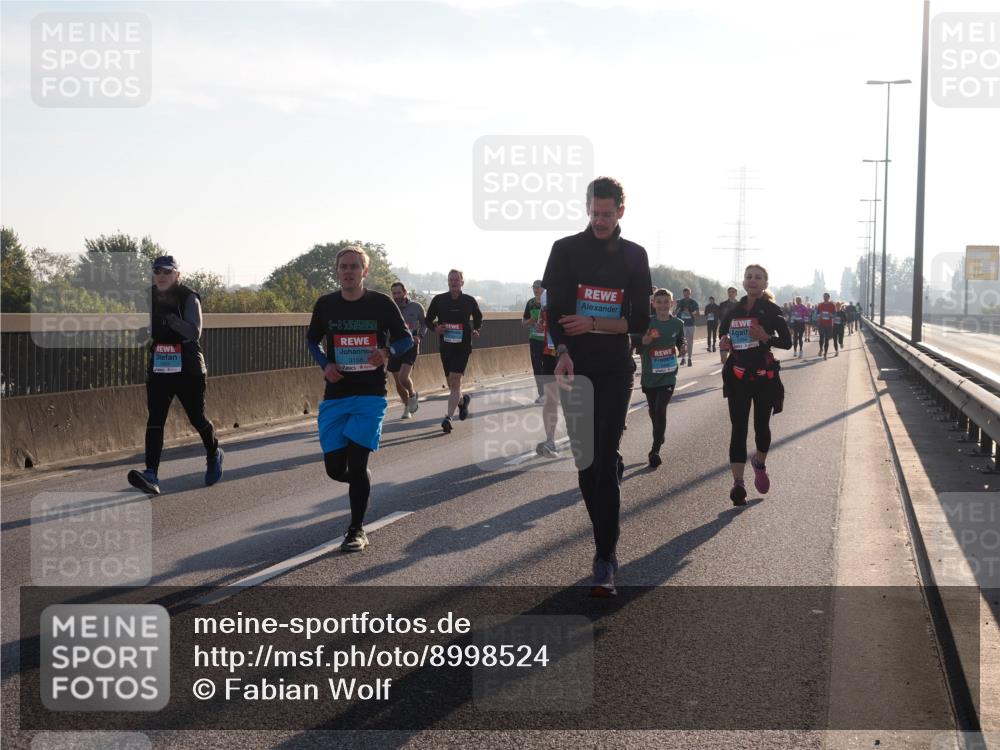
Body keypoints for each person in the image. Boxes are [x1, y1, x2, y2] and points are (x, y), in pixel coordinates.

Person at [543, 176, 652, 597]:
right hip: (575, 367)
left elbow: (639, 322)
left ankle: (605, 556)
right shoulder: (565, 250)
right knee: (586, 462)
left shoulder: (634, 256)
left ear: (621, 211)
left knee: (602, 460)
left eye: (608, 214)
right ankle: (605, 518)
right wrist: (563, 350)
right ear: (587, 208)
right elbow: (556, 313)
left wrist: (593, 322)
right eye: (595, 213)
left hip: (615, 369)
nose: (601, 221)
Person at [306, 246, 413, 551]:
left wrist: (386, 351)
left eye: (354, 266)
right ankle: (360, 480)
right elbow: (312, 339)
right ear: (337, 271)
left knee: (357, 459)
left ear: (365, 271)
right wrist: (325, 364)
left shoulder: (381, 303)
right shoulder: (326, 304)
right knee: (335, 469)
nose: (348, 271)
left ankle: (356, 530)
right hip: (337, 394)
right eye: (344, 266)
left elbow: (406, 339)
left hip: (370, 394)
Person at [127, 256, 223, 495]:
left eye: (167, 272)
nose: (161, 276)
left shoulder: (189, 297)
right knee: (155, 419)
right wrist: (143, 332)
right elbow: (148, 328)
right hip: (160, 366)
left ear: (177, 275)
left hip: (188, 366)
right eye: (157, 271)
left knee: (197, 418)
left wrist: (171, 320)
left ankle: (214, 453)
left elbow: (194, 332)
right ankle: (151, 474)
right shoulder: (148, 296)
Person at [718, 264, 791, 506]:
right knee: (738, 429)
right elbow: (722, 333)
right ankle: (738, 483)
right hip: (738, 377)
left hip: (763, 378)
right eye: (749, 276)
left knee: (761, 427)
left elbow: (787, 342)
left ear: (765, 283)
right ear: (743, 281)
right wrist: (725, 342)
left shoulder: (771, 310)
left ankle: (759, 463)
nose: (753, 280)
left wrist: (766, 337)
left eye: (758, 277)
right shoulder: (733, 309)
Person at [425, 270, 483, 434]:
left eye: (456, 280)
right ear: (448, 282)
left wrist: (476, 329)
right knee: (451, 384)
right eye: (451, 280)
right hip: (446, 346)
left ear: (462, 282)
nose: (453, 282)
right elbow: (428, 320)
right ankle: (463, 402)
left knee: (456, 380)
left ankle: (448, 418)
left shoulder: (469, 301)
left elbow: (478, 318)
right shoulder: (439, 300)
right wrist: (435, 328)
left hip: (463, 346)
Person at [636, 288, 686, 468]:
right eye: (659, 302)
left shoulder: (678, 323)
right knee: (652, 411)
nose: (663, 305)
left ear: (672, 303)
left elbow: (680, 340)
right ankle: (659, 433)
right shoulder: (647, 323)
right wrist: (645, 341)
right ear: (654, 304)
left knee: (660, 409)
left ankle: (654, 450)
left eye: (666, 302)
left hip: (668, 375)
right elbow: (638, 348)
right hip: (650, 375)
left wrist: (682, 347)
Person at [389, 282, 427, 420]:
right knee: (398, 381)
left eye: (399, 293)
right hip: (395, 345)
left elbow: (425, 323)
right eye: (394, 293)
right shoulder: (389, 307)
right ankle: (406, 407)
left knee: (403, 377)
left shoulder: (416, 307)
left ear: (405, 292)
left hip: (411, 345)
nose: (397, 296)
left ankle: (412, 394)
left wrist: (420, 336)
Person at [534, 289, 561, 457]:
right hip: (550, 353)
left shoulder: (575, 287)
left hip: (573, 355)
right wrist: (540, 323)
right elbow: (541, 319)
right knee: (551, 399)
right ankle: (550, 440)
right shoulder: (546, 294)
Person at [522, 280, 546, 404]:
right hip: (535, 339)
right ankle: (542, 394)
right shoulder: (530, 303)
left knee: (548, 367)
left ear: (543, 289)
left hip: (548, 341)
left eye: (538, 287)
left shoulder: (549, 302)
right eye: (534, 287)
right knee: (537, 367)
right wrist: (529, 321)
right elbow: (523, 322)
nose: (535, 290)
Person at [674, 288, 699, 366]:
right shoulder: (680, 302)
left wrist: (690, 313)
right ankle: (683, 358)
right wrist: (675, 312)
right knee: (683, 342)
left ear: (690, 293)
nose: (686, 295)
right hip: (682, 325)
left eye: (687, 293)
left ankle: (689, 358)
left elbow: (697, 314)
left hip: (691, 324)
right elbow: (676, 311)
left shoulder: (693, 302)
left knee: (690, 342)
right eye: (684, 294)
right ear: (683, 294)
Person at [816, 293, 837, 360]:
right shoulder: (820, 305)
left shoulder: (832, 305)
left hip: (829, 325)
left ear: (828, 298)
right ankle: (821, 349)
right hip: (821, 324)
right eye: (824, 297)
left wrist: (831, 315)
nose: (825, 298)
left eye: (826, 297)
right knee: (821, 338)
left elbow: (835, 315)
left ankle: (825, 354)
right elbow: (817, 314)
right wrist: (820, 315)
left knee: (827, 339)